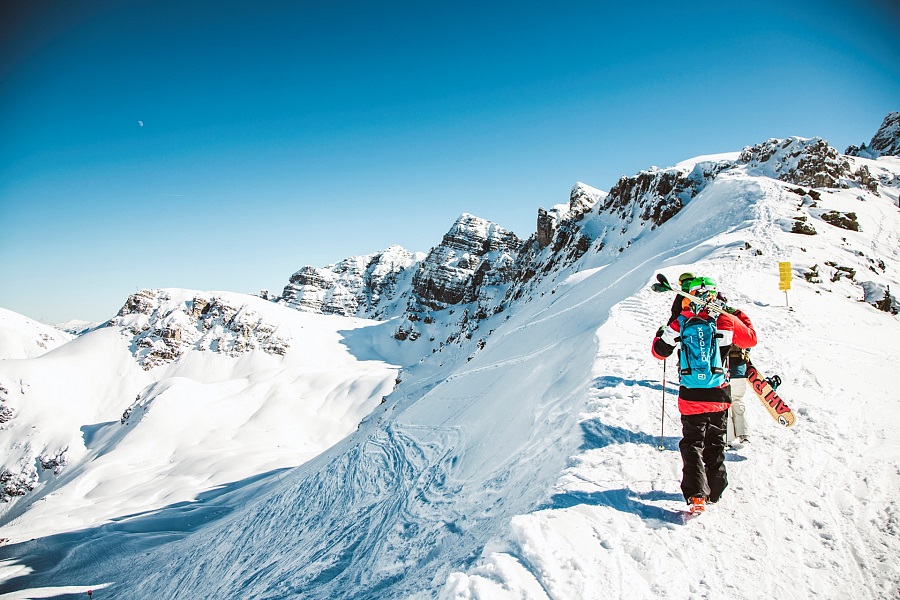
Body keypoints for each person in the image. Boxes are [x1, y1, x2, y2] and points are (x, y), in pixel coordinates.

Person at [651, 276, 757, 513]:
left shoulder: (682, 322)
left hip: (690, 395)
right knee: (715, 441)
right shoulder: (724, 320)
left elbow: (659, 353)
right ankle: (716, 489)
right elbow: (750, 338)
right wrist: (734, 312)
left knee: (692, 443)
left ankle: (696, 494)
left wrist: (663, 332)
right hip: (719, 393)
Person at [726, 345, 751, 446]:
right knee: (737, 399)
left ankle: (728, 436)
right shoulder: (741, 329)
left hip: (724, 371)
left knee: (724, 404)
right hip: (740, 370)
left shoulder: (720, 329)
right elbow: (748, 344)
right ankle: (743, 433)